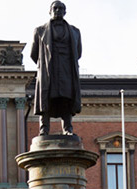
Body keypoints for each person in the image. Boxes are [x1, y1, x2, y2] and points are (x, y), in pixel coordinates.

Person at [30, 1, 82, 136]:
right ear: (50, 11)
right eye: (55, 8)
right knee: (46, 99)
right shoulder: (40, 31)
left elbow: (78, 53)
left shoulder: (75, 32)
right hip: (48, 70)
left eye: (61, 8)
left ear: (65, 12)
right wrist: (45, 63)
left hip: (67, 69)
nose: (58, 10)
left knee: (66, 98)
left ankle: (68, 128)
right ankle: (44, 129)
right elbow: (33, 53)